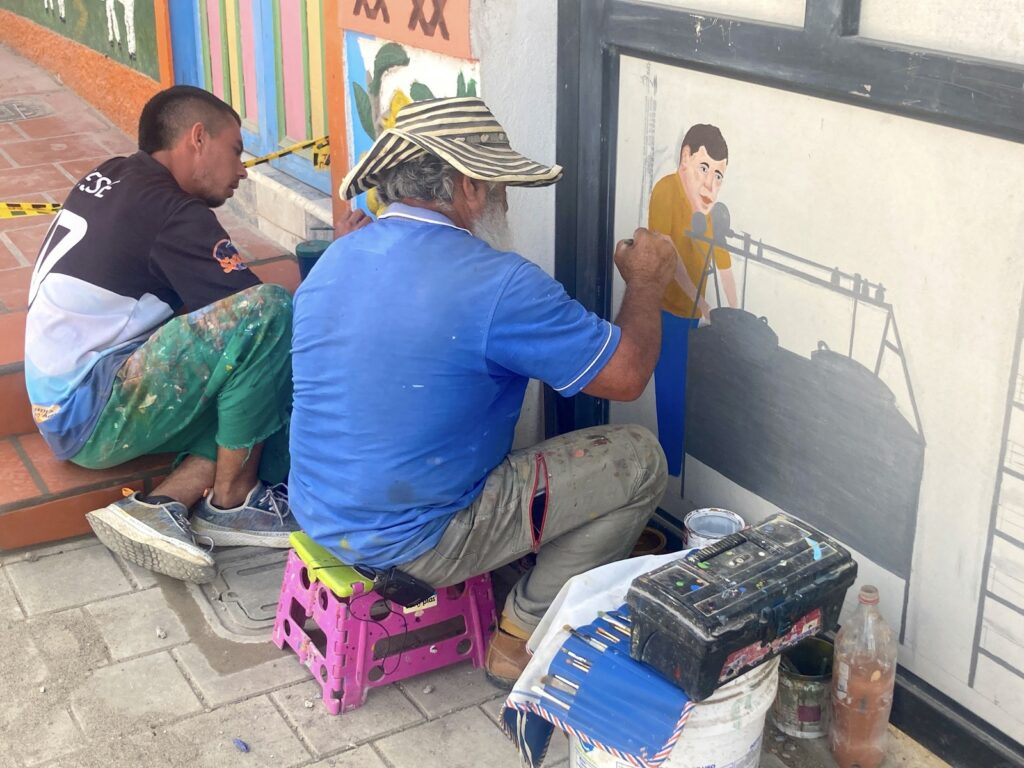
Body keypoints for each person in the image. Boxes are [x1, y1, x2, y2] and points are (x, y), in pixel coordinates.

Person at [289, 96, 675, 687]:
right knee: (640, 459)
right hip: (413, 543)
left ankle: (558, 552)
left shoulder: (338, 256)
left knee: (475, 398)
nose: (505, 201)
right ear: (469, 187)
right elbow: (625, 377)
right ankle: (521, 635)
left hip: (319, 509)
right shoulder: (499, 282)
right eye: (500, 186)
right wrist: (647, 283)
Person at [23, 85, 368, 584]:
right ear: (198, 138)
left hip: (65, 410)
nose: (243, 171)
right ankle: (234, 501)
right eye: (236, 151)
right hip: (94, 406)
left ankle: (161, 505)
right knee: (270, 316)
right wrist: (340, 260)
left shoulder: (115, 174)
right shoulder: (173, 211)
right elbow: (263, 320)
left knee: (260, 390)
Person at [647, 123, 737, 477]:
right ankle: (671, 475)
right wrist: (704, 306)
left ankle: (688, 471)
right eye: (704, 168)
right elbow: (667, 254)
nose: (710, 184)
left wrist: (734, 313)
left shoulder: (708, 212)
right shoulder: (665, 191)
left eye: (718, 175)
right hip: (666, 313)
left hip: (697, 320)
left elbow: (723, 260)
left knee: (696, 396)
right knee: (672, 395)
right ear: (685, 158)